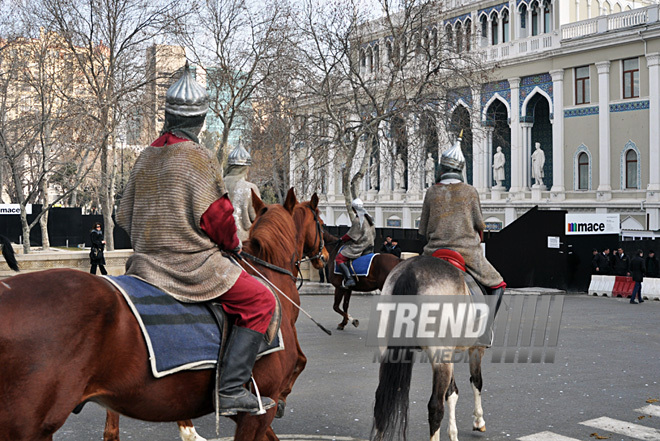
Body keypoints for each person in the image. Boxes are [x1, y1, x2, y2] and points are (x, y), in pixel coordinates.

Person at [116, 63, 276, 416]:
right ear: (200, 120)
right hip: (191, 266)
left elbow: (122, 217)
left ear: (168, 116)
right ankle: (232, 389)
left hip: (143, 265)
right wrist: (232, 245)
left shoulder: (145, 156)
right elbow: (217, 220)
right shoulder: (198, 156)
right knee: (261, 300)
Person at [419, 131, 505, 296]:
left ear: (442, 168)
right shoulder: (470, 191)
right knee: (498, 284)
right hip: (466, 252)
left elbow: (422, 228)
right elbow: (480, 224)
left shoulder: (431, 191)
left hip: (433, 251)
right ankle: (487, 322)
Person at [223, 141, 261, 242]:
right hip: (244, 244)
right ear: (246, 169)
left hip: (217, 243)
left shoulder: (217, 185)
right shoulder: (251, 188)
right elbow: (257, 217)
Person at [335, 198, 376, 288]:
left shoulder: (358, 220)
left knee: (339, 258)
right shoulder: (369, 219)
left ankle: (349, 279)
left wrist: (342, 239)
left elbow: (351, 235)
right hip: (370, 245)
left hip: (361, 246)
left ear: (354, 209)